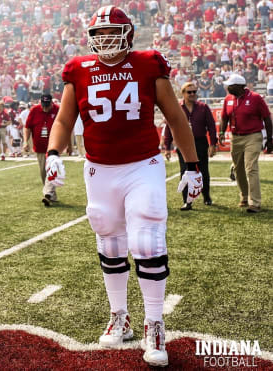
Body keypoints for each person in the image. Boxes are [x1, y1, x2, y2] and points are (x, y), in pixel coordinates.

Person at [44, 6, 202, 367]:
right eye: (98, 35)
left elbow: (175, 116)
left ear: (129, 34)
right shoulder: (79, 70)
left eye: (111, 32)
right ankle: (120, 316)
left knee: (147, 240)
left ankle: (155, 323)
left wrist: (191, 166)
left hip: (142, 165)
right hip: (99, 169)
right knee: (110, 240)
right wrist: (53, 151)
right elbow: (65, 118)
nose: (104, 40)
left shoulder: (148, 64)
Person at [219, 73, 273, 213]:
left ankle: (255, 202)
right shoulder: (228, 99)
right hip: (235, 137)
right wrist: (221, 133)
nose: (228, 88)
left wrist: (270, 140)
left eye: (230, 85)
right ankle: (244, 196)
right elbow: (224, 118)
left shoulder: (256, 98)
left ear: (239, 86)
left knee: (251, 168)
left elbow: (267, 119)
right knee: (238, 168)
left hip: (253, 136)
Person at [164, 82, 217, 210]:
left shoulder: (203, 107)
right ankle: (187, 201)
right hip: (183, 143)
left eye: (194, 92)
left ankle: (206, 197)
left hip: (200, 142)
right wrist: (167, 147)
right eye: (189, 92)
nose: (192, 94)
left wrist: (213, 144)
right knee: (185, 171)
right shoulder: (176, 107)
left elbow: (211, 126)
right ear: (183, 93)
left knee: (203, 171)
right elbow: (169, 127)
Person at [24, 94, 59, 206]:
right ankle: (51, 194)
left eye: (47, 105)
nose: (45, 108)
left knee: (51, 169)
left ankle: (47, 194)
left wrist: (68, 144)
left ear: (51, 103)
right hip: (39, 147)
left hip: (54, 146)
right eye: (43, 105)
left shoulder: (58, 110)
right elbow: (27, 127)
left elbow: (65, 126)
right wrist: (25, 141)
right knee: (43, 172)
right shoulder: (34, 110)